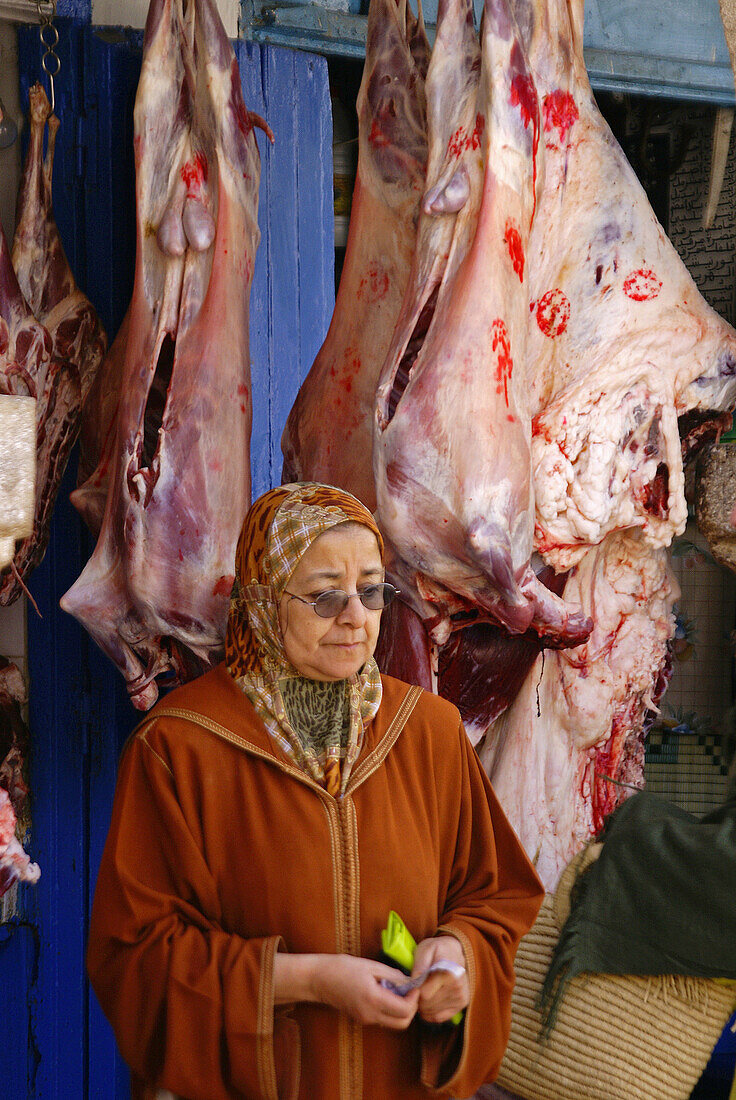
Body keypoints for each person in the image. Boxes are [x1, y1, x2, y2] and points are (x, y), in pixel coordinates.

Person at [87, 482, 543, 1100]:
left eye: (372, 590)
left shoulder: (428, 732)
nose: (356, 616)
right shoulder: (179, 749)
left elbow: (494, 901)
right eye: (326, 596)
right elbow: (137, 961)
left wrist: (458, 958)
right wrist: (305, 980)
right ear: (262, 601)